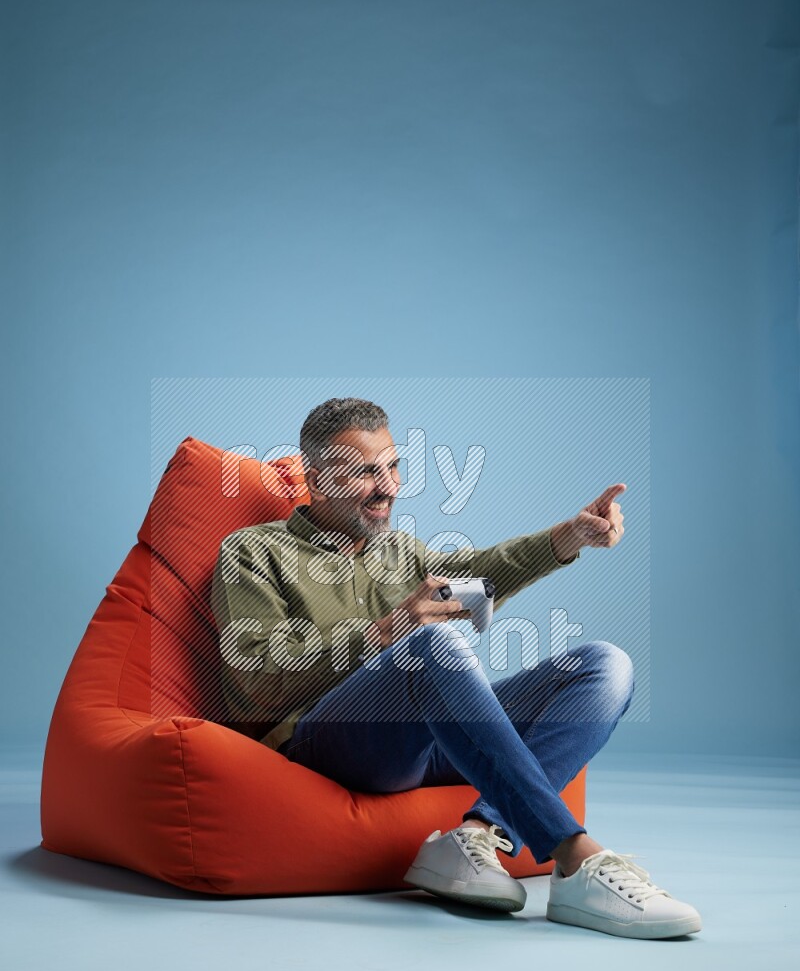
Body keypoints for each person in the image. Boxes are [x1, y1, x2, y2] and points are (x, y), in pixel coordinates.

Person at [211, 397, 702, 940]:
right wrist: (388, 630)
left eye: (393, 466)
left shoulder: (400, 550)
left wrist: (569, 537)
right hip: (323, 748)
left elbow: (480, 575)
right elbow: (255, 678)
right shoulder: (252, 551)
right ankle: (574, 857)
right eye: (365, 473)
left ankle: (474, 834)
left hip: (429, 744)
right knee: (432, 644)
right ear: (317, 479)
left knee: (604, 665)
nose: (389, 487)